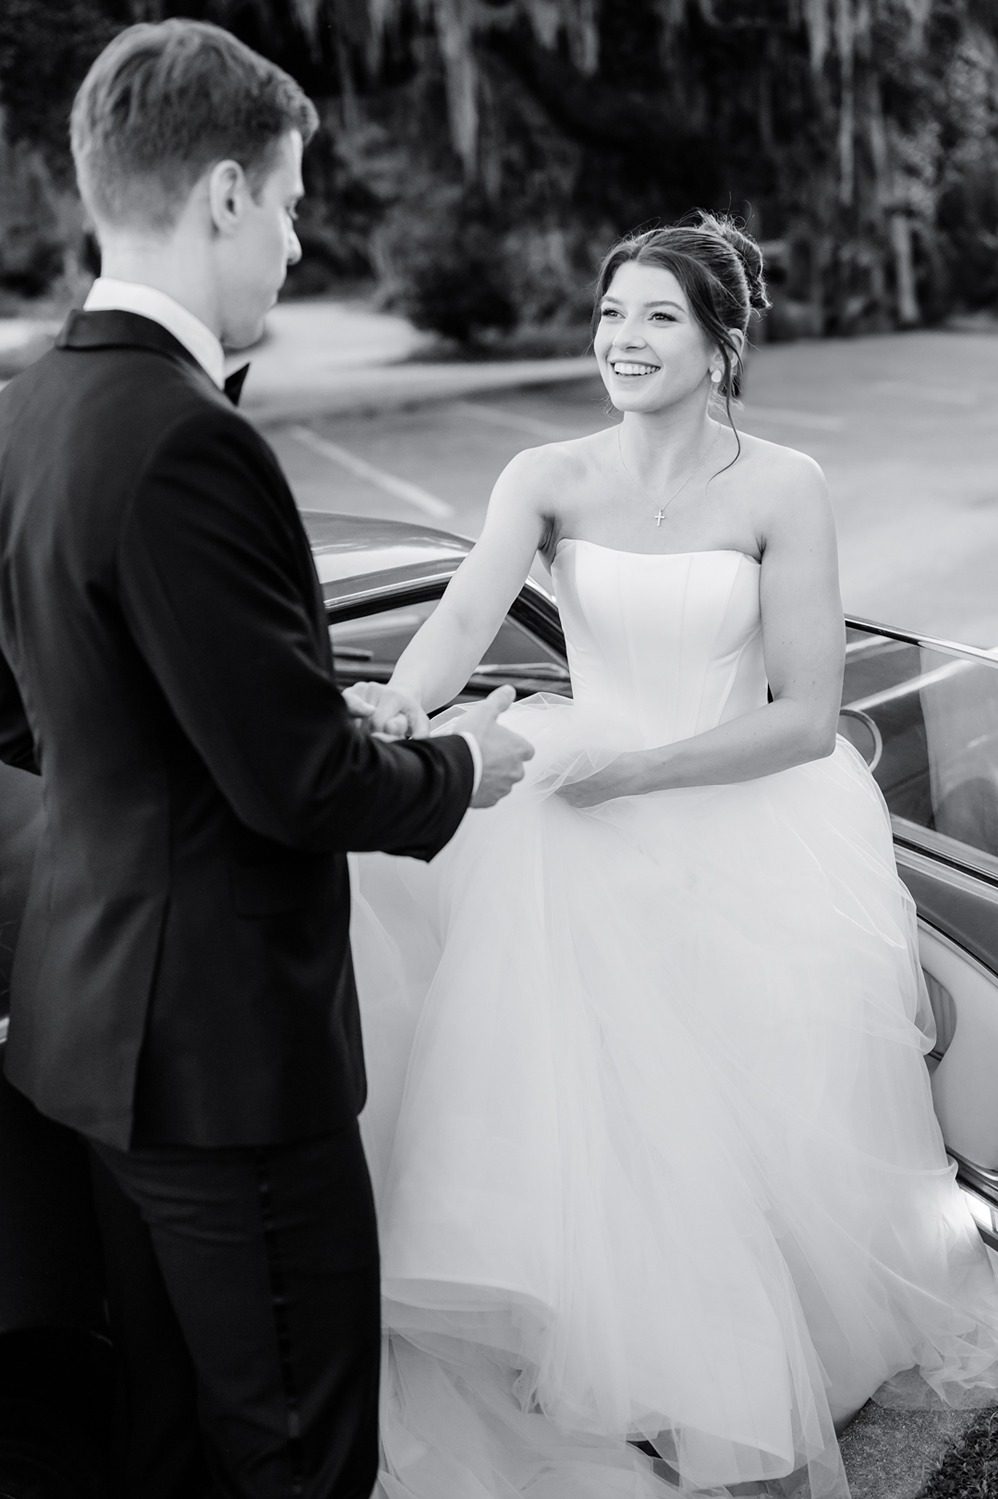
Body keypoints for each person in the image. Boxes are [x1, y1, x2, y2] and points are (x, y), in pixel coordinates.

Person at [344, 215, 998, 1499]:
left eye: (654, 318)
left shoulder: (779, 487)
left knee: (743, 1125)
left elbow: (806, 715)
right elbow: (461, 614)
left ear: (719, 347)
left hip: (738, 822)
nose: (621, 341)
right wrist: (402, 710)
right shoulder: (545, 474)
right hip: (565, 831)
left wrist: (637, 772)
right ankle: (608, 1367)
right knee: (587, 1122)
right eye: (607, 317)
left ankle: (752, 1370)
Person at [0, 19, 532, 1499]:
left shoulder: (31, 410)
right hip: (227, 1069)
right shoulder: (187, 436)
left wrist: (285, 706)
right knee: (299, 1455)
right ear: (225, 192)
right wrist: (460, 766)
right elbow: (297, 788)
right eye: (295, 203)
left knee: (163, 1444)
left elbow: (54, 706)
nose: (300, 244)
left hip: (87, 1036)